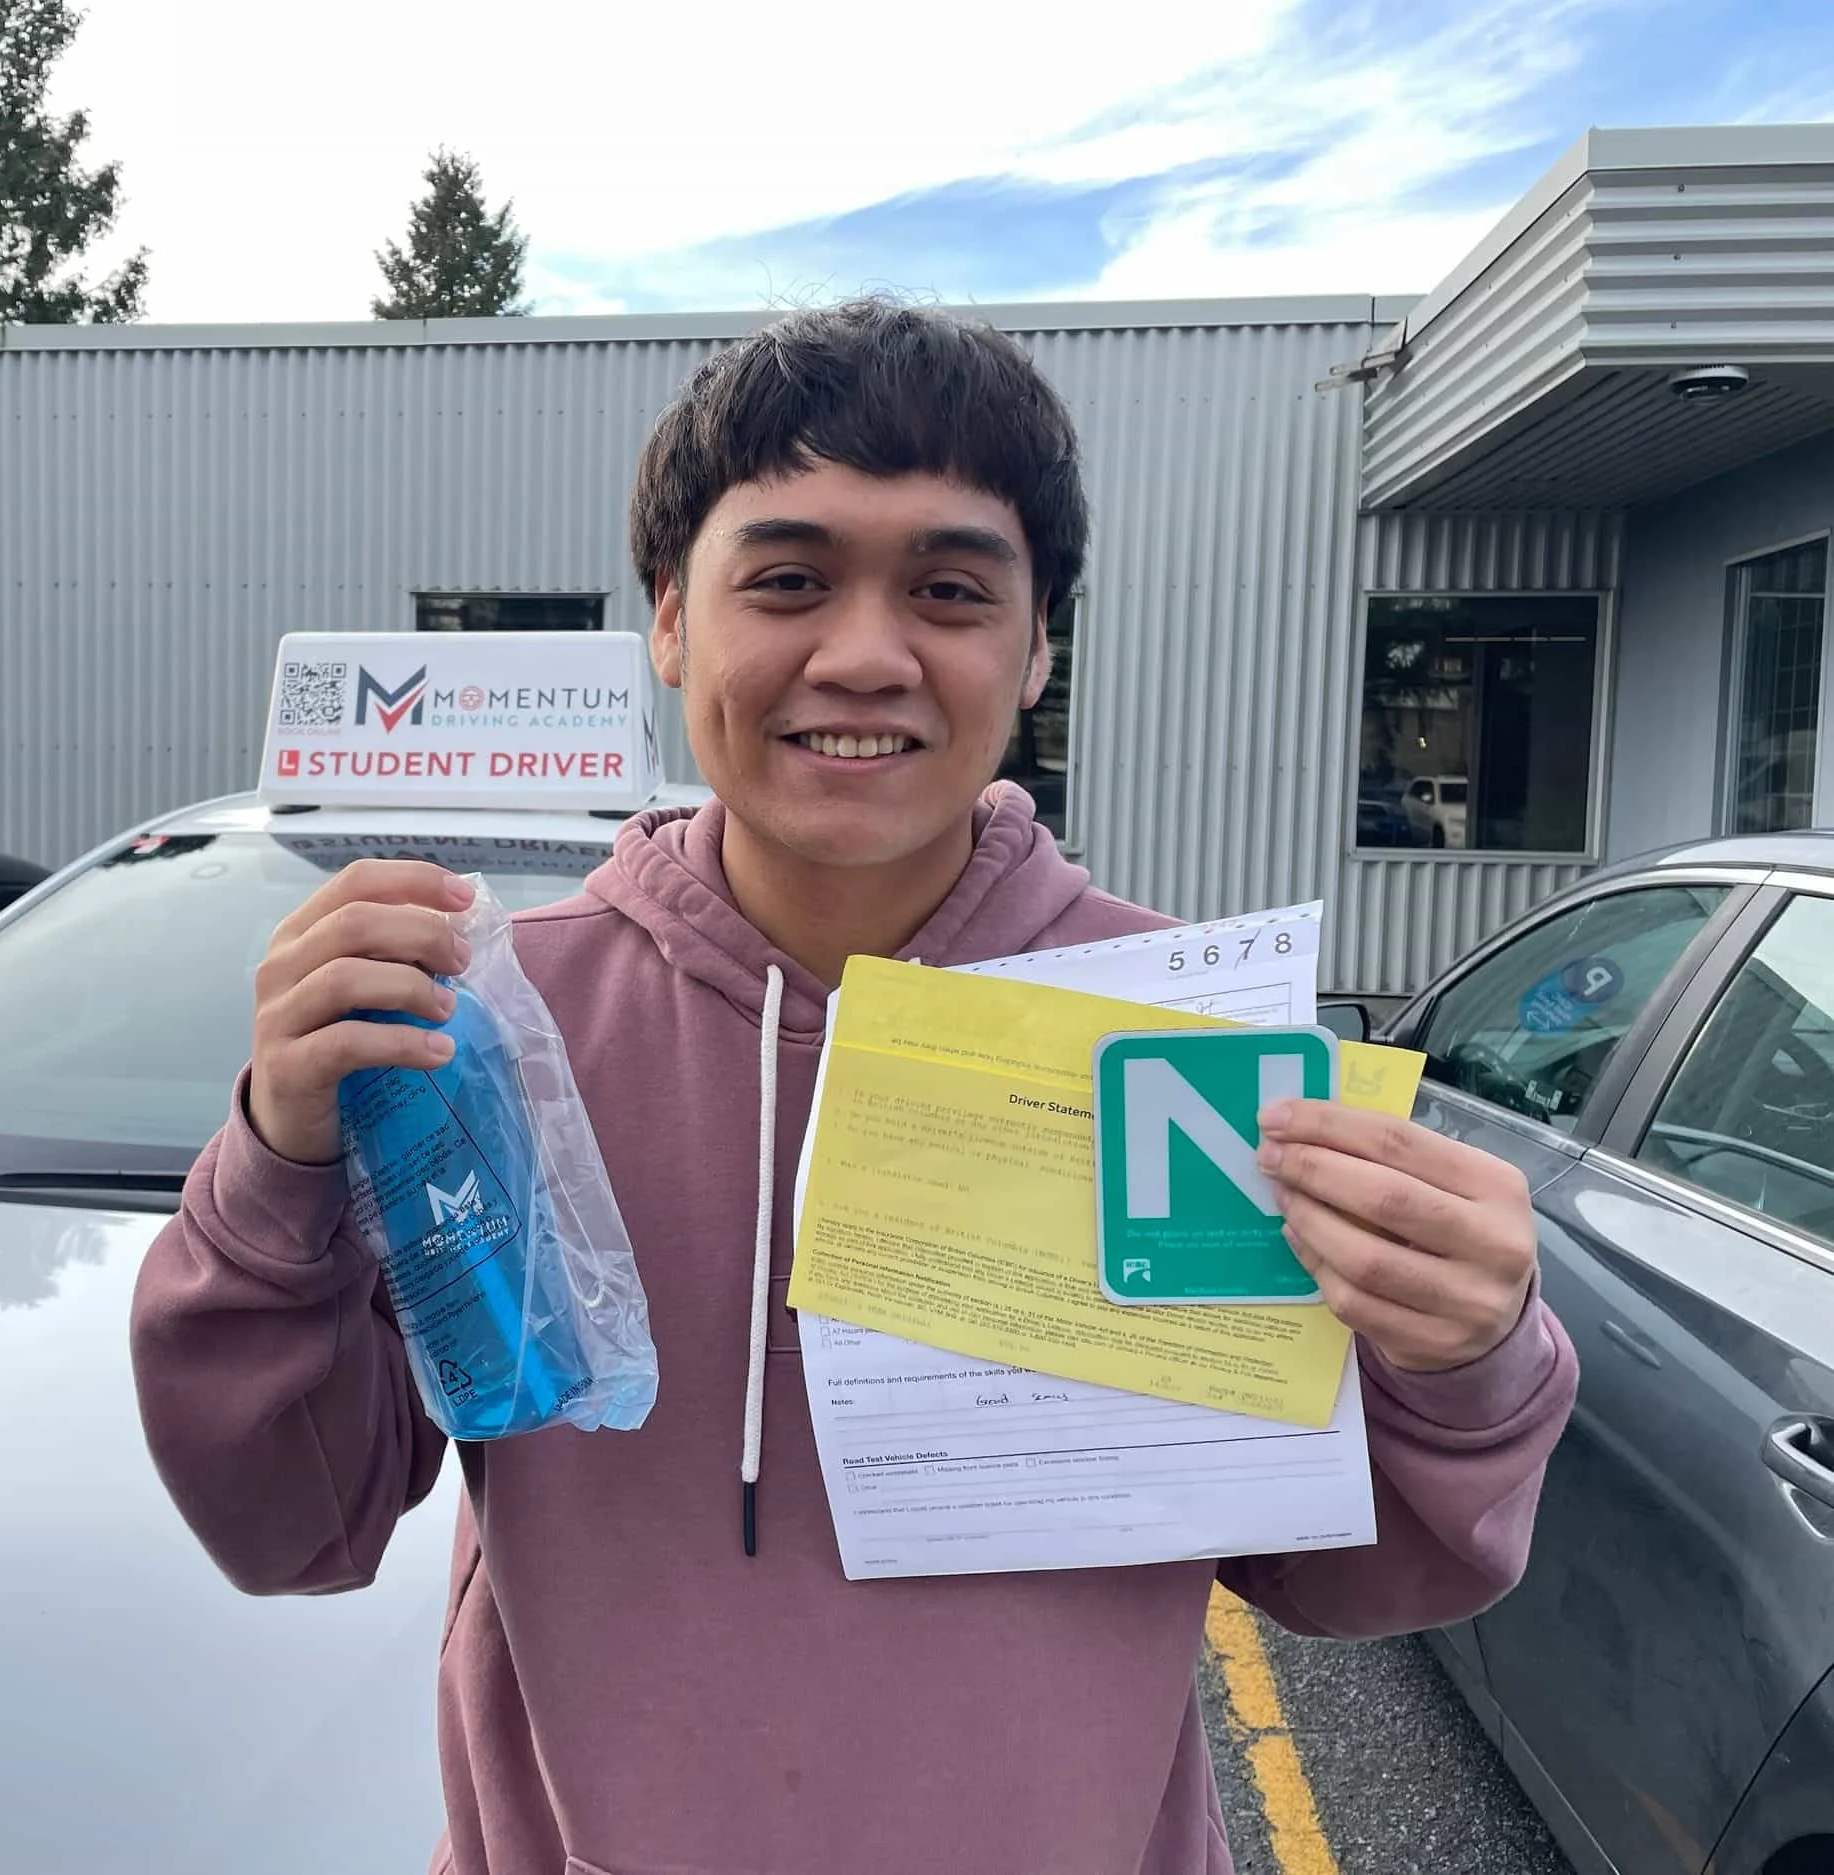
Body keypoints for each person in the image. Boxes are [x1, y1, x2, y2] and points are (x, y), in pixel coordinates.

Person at [130, 298, 1578, 1875]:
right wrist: (276, 1167)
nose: (869, 652)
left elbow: (1346, 1578)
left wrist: (1470, 1360)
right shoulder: (489, 1028)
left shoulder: (1184, 1045)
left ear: (1037, 652)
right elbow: (295, 1528)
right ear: (672, 622)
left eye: (951, 589)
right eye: (790, 579)